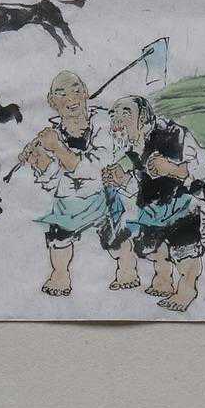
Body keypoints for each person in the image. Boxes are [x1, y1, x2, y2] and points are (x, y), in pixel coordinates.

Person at [18, 71, 136, 297]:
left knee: (115, 238)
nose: (71, 98)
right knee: (58, 237)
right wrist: (39, 161)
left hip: (101, 195)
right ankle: (60, 275)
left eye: (76, 90)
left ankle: (127, 269)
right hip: (69, 202)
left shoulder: (103, 124)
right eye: (61, 94)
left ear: (85, 93)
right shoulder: (51, 135)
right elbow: (53, 182)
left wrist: (58, 148)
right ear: (52, 102)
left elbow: (95, 169)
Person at [103, 96, 205, 313]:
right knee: (155, 248)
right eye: (113, 114)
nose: (117, 119)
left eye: (125, 112)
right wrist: (120, 181)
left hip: (181, 204)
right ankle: (163, 282)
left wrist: (173, 169)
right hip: (153, 207)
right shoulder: (130, 149)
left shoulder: (172, 133)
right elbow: (136, 184)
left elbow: (202, 167)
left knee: (184, 250)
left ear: (142, 116)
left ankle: (186, 290)